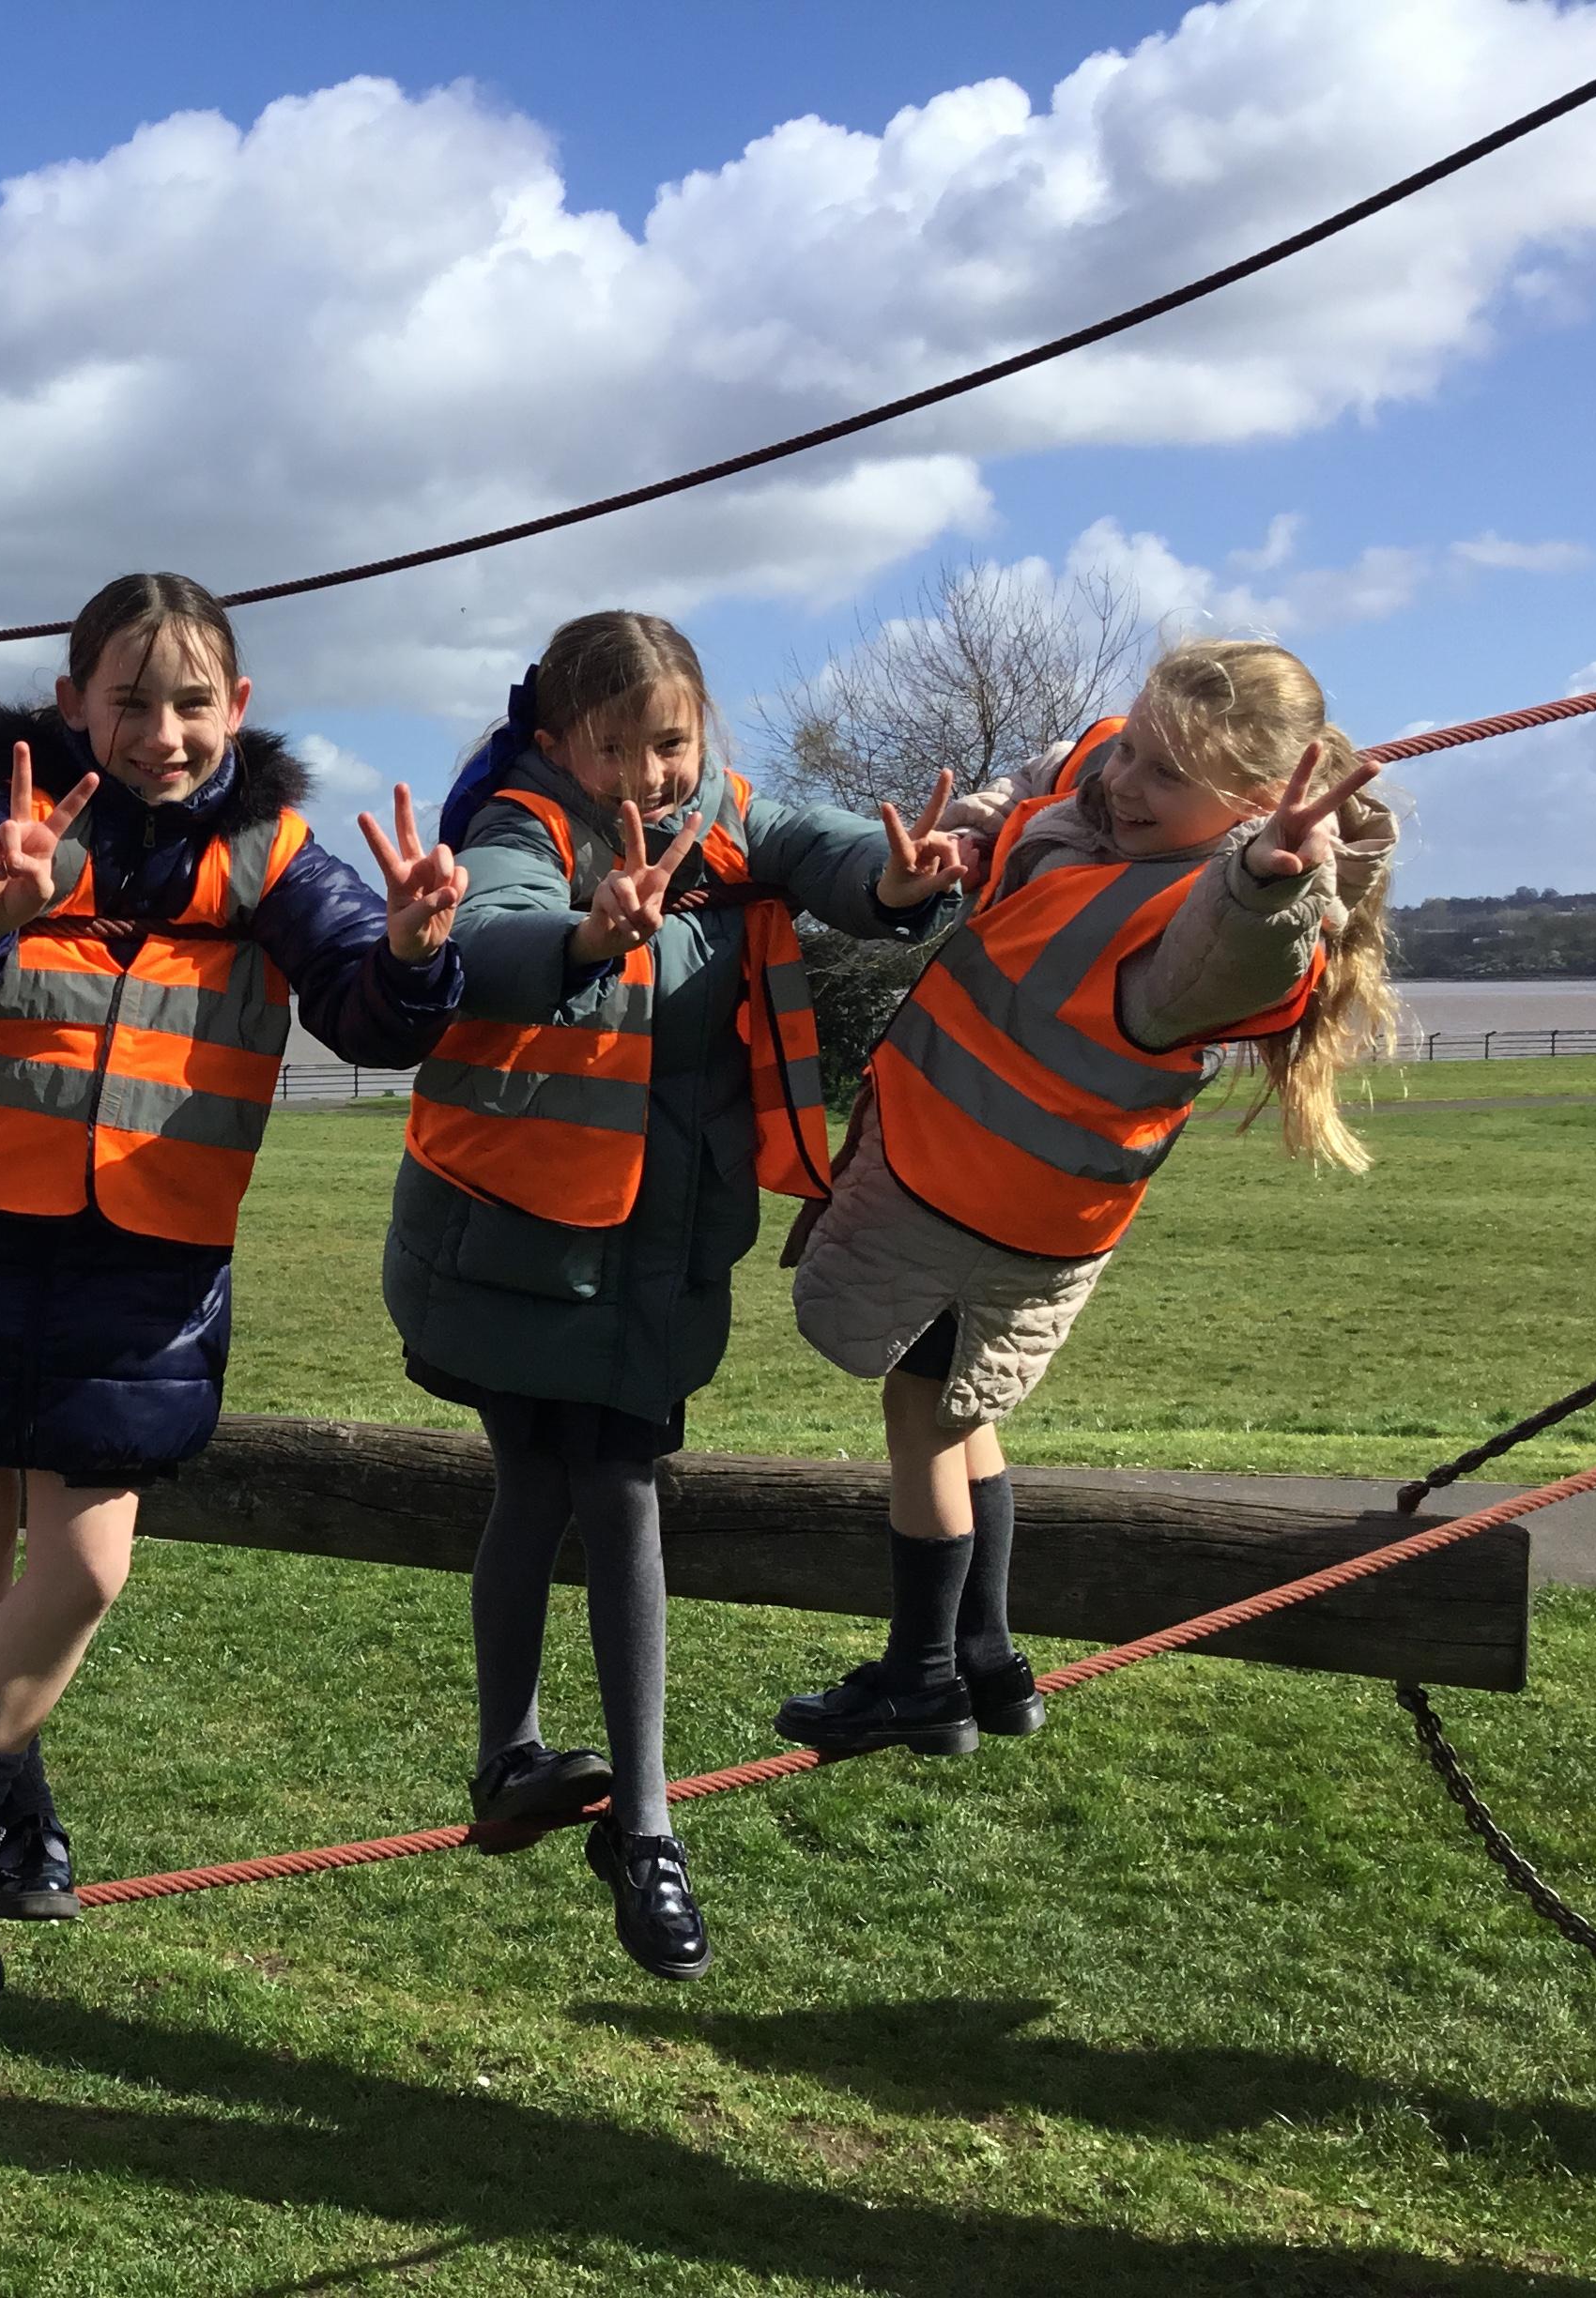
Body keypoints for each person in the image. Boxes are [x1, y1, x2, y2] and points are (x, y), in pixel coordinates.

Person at [0, 571, 468, 2010]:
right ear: (74, 704)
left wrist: (413, 953)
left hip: (144, 1255)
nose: (163, 733)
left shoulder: (280, 861)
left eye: (193, 703)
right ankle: (13, 1823)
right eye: (130, 701)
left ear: (236, 708)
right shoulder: (10, 830)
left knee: (85, 1564)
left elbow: (368, 1010)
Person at [389, 609, 971, 1981]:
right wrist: (589, 936)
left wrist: (898, 885)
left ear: (701, 731)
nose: (649, 776)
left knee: (574, 1488)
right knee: (586, 1489)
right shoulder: (525, 824)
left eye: (671, 742)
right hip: (510, 1250)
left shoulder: (733, 819)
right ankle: (621, 1815)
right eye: (615, 749)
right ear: (557, 742)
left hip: (652, 1254)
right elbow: (496, 929)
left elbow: (833, 855)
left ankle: (544, 1776)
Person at [778, 637, 1394, 1761]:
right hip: (976, 1189)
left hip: (985, 1211)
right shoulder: (1122, 782)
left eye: (1167, 776)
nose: (1128, 783)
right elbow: (1058, 775)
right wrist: (975, 828)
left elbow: (1232, 953)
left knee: (922, 1428)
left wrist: (1269, 879)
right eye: (1137, 747)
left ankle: (921, 1681)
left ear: (1250, 806)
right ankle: (988, 1660)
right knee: (965, 1415)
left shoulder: (1206, 912)